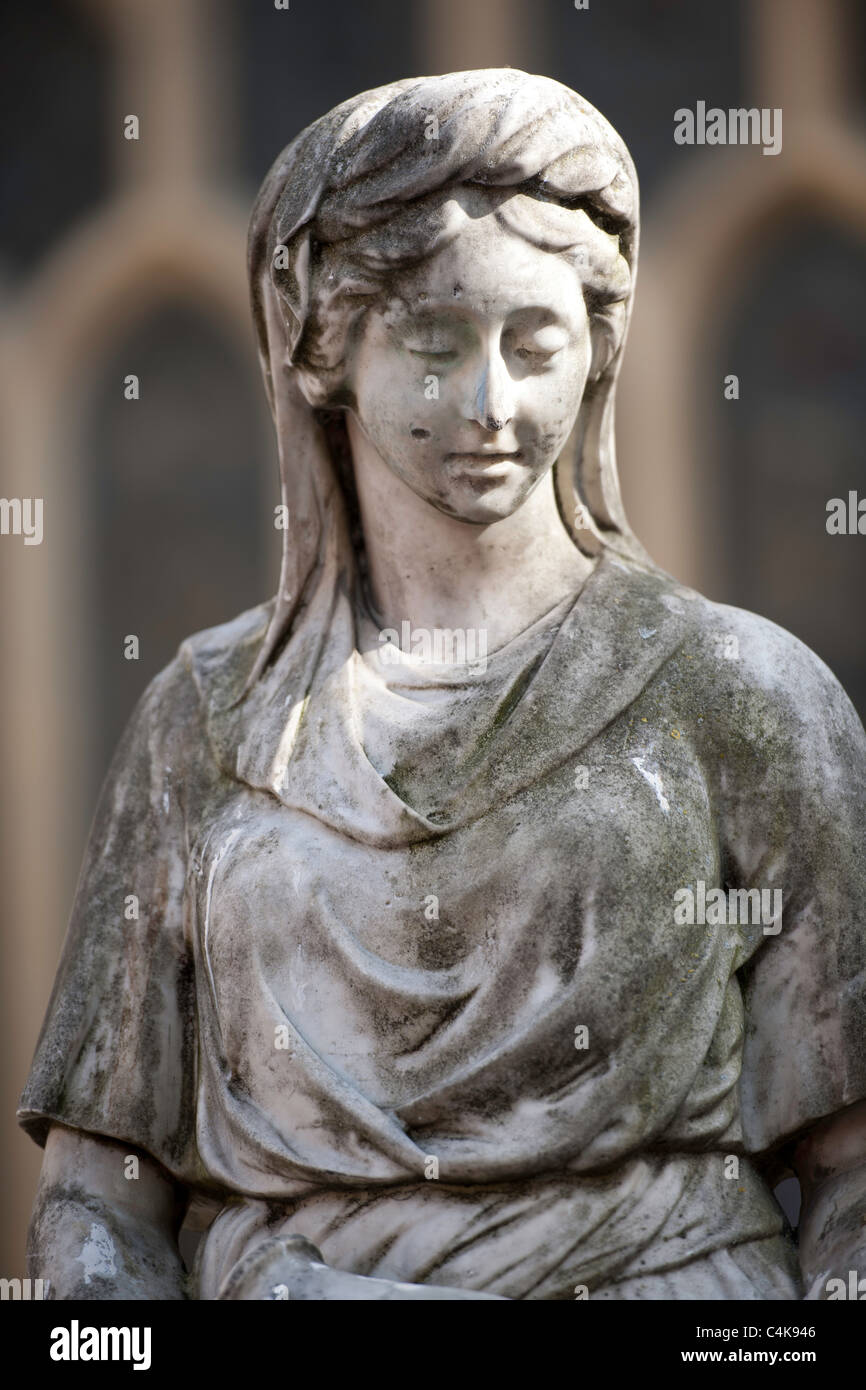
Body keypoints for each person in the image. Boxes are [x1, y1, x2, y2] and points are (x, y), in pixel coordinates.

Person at [19, 69, 866, 1300]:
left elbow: (851, 1176)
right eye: (433, 343)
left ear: (597, 349)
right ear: (327, 353)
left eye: (535, 345)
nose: (490, 406)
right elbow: (98, 1203)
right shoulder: (204, 717)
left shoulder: (738, 692)